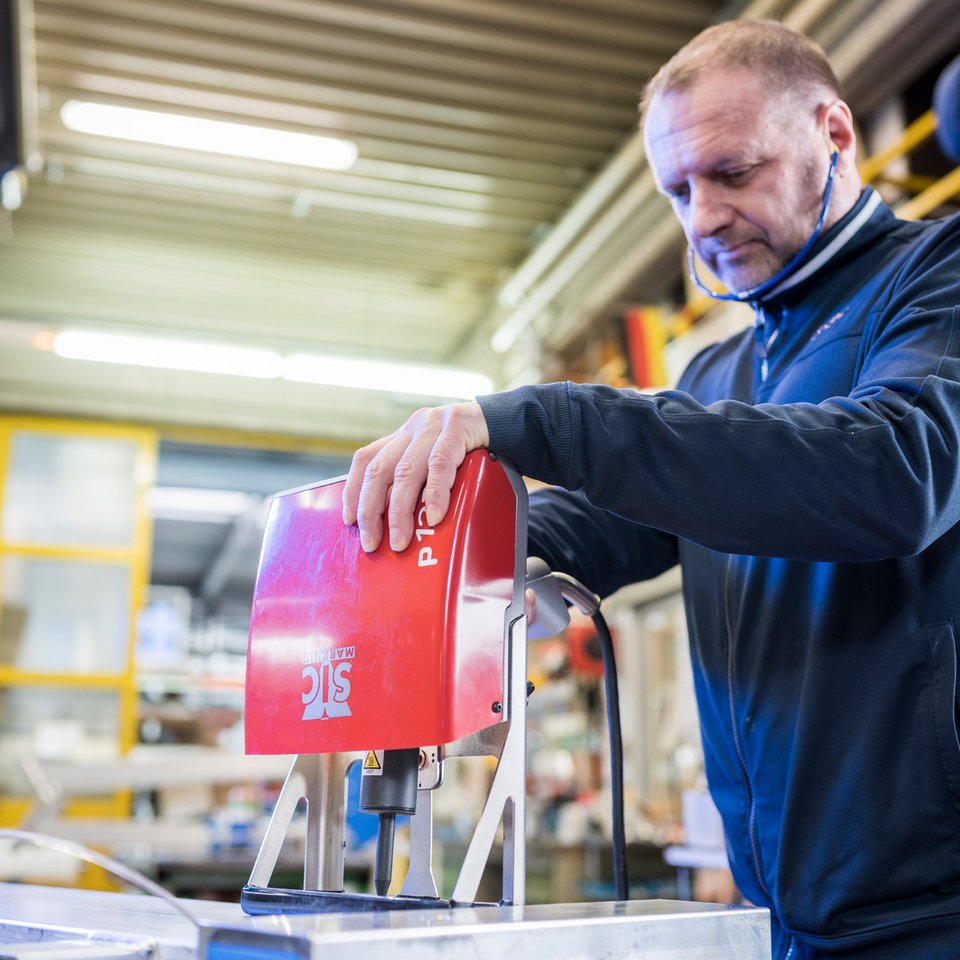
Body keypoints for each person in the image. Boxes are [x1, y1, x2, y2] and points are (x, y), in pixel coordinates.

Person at [342, 19, 960, 960]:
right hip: (784, 919)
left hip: (931, 914)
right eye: (678, 189)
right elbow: (606, 523)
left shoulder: (935, 282)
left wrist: (540, 420)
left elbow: (893, 474)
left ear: (836, 135)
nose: (703, 217)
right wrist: (452, 553)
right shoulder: (721, 374)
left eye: (733, 172)